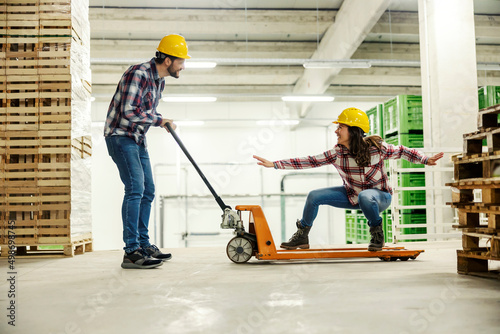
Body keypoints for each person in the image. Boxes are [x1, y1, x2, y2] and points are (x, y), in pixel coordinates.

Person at [253, 107, 444, 251]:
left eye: (340, 127)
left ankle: (377, 234)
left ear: (353, 130)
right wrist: (275, 164)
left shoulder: (377, 148)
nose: (336, 131)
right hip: (353, 196)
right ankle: (302, 235)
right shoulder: (338, 153)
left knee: (366, 196)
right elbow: (309, 161)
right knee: (314, 196)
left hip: (379, 198)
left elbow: (402, 151)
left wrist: (425, 159)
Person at [104, 34, 190, 269]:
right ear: (168, 60)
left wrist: (156, 121)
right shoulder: (138, 73)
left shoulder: (159, 81)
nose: (183, 66)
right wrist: (159, 120)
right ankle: (131, 251)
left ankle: (143, 244)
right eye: (181, 61)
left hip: (136, 138)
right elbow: (128, 111)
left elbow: (142, 114)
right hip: (120, 136)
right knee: (135, 189)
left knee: (148, 190)